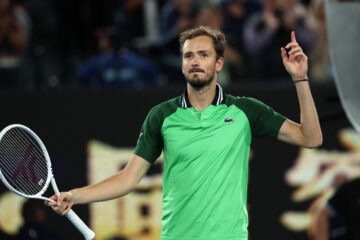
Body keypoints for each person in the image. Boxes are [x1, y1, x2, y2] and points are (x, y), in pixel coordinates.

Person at [46, 25, 322, 240]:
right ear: (181, 64)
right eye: (188, 55)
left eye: (204, 55)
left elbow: (311, 138)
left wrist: (300, 79)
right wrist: (75, 195)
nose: (195, 61)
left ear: (219, 64)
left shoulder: (245, 111)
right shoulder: (162, 116)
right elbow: (128, 178)